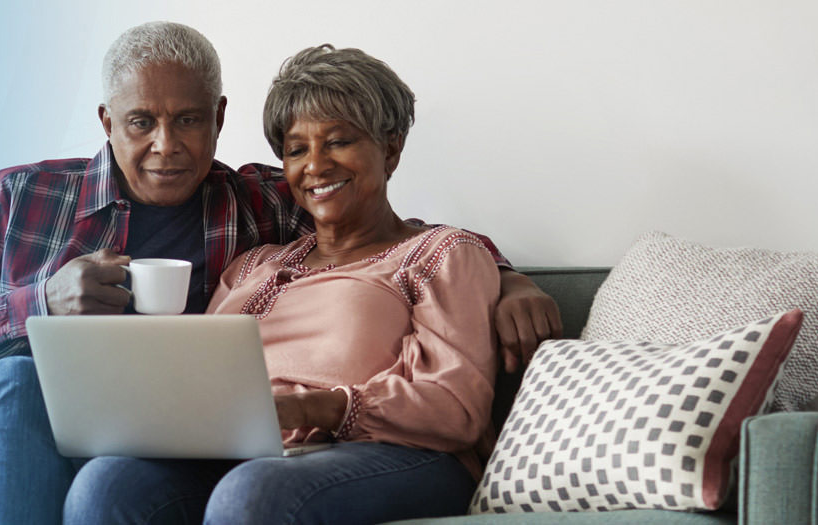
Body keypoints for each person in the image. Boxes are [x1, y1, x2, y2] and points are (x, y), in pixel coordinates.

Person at [0, 23, 559, 525]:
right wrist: (38, 300)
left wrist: (511, 278)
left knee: (105, 482)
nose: (166, 145)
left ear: (219, 118)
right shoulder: (22, 195)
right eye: (141, 123)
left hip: (281, 446)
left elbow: (390, 238)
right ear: (107, 122)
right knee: (20, 378)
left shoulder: (255, 205)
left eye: (187, 121)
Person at [64, 43, 499, 525]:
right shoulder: (252, 265)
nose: (316, 165)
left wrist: (311, 408)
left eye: (338, 141)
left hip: (397, 456)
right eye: (297, 149)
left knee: (250, 494)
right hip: (252, 457)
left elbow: (458, 408)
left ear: (391, 148)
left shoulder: (439, 254)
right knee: (108, 482)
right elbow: (204, 383)